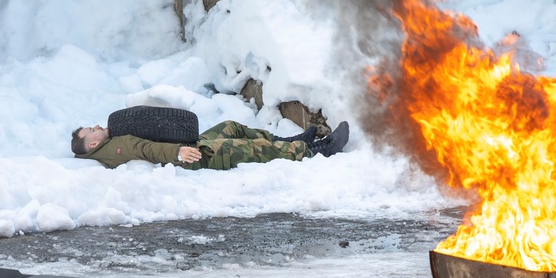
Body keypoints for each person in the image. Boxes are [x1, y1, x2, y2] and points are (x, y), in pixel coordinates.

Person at [71, 119, 349, 170]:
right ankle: (316, 151)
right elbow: (147, 150)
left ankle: (285, 142)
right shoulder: (118, 147)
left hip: (186, 145)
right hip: (189, 158)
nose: (95, 126)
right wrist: (178, 152)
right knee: (234, 145)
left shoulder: (111, 139)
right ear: (93, 143)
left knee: (230, 126)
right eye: (90, 130)